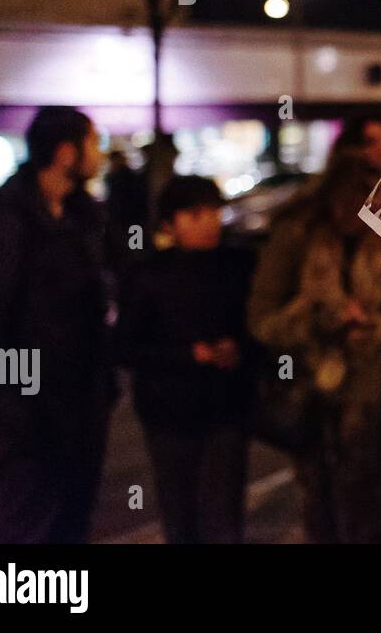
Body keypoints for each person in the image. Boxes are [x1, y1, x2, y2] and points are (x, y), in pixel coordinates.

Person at [0, 106, 113, 543]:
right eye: (93, 143)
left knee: (72, 524)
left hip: (82, 412)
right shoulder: (6, 226)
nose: (99, 154)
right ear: (66, 153)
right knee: (27, 527)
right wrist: (12, 415)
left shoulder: (85, 219)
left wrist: (102, 391)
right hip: (32, 416)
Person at [248, 155, 381, 543]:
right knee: (317, 493)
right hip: (309, 384)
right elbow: (262, 321)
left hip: (366, 387)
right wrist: (323, 319)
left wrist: (369, 328)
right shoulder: (297, 237)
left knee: (363, 490)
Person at [116, 176, 255, 544]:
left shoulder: (237, 264)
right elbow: (125, 347)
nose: (208, 221)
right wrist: (185, 355)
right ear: (169, 224)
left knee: (224, 514)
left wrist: (238, 348)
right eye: (195, 214)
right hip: (169, 413)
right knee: (180, 513)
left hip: (226, 407)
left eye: (213, 211)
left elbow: (259, 328)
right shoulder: (148, 275)